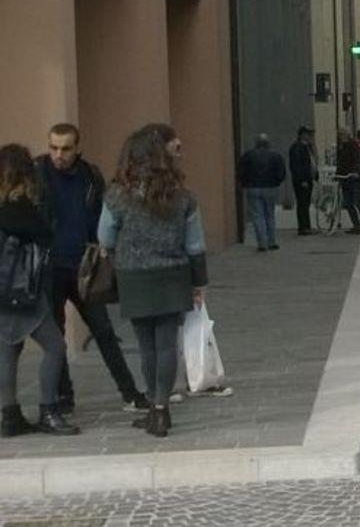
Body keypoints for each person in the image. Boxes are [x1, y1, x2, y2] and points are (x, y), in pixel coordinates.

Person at [98, 124, 207, 438]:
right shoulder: (183, 196)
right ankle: (162, 407)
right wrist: (198, 283)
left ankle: (150, 406)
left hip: (133, 275)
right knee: (167, 344)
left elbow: (104, 235)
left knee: (146, 346)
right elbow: (195, 244)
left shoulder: (118, 194)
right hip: (173, 273)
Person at [36, 123, 148, 415]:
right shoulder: (37, 174)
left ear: (77, 148)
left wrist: (102, 246)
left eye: (65, 149)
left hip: (84, 264)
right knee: (55, 336)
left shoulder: (90, 176)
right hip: (50, 265)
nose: (58, 155)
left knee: (104, 331)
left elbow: (102, 213)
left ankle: (130, 392)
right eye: (54, 148)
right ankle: (64, 397)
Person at [0, 144, 80, 436]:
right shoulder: (18, 206)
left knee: (8, 351)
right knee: (55, 346)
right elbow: (45, 234)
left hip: (2, 292)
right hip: (23, 291)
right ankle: (48, 410)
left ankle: (9, 415)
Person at [237, 134, 286, 252]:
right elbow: (281, 173)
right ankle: (272, 241)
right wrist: (276, 182)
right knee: (270, 215)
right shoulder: (276, 156)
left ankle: (262, 243)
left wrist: (244, 183)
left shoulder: (248, 155)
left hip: (253, 188)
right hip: (270, 188)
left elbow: (240, 171)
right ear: (268, 143)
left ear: (256, 143)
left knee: (258, 216)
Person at [288, 127, 318, 237]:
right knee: (302, 203)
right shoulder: (297, 147)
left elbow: (311, 162)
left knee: (306, 203)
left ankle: (307, 226)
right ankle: (303, 228)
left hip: (308, 179)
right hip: (302, 181)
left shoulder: (307, 147)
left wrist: (315, 175)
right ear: (302, 135)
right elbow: (296, 166)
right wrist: (302, 180)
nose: (310, 136)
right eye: (308, 134)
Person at [335, 130, 360, 235]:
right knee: (348, 203)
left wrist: (356, 171)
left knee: (357, 201)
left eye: (342, 135)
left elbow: (357, 159)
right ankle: (356, 225)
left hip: (354, 178)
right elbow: (340, 162)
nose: (341, 137)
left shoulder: (353, 145)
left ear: (347, 135)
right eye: (340, 136)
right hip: (345, 178)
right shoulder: (341, 146)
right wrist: (337, 174)